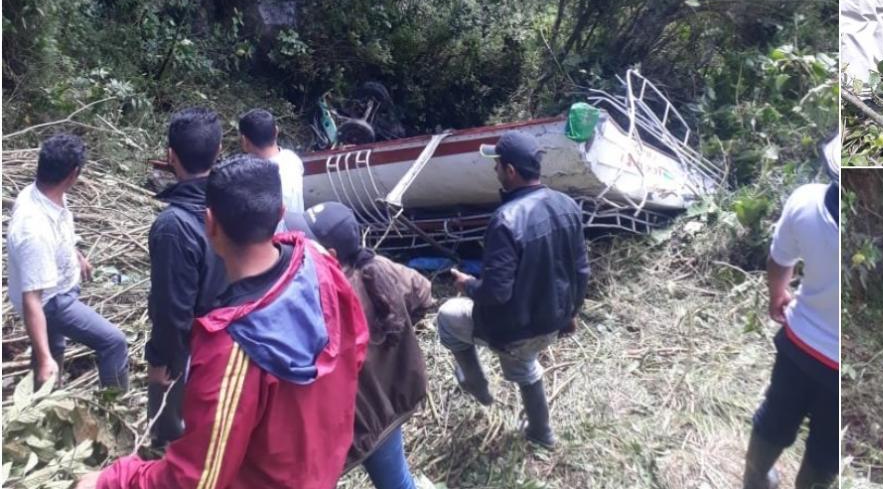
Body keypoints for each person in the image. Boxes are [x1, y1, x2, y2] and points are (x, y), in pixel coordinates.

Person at [78, 156, 369, 489]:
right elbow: (356, 352)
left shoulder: (231, 348)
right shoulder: (321, 268)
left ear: (210, 223)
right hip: (320, 467)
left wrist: (110, 480)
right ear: (280, 215)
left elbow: (196, 481)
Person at [437, 131, 590, 448]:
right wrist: (570, 314)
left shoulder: (505, 220)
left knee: (448, 316)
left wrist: (468, 285)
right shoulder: (568, 205)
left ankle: (476, 384)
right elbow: (581, 271)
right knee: (525, 364)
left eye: (497, 165)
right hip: (554, 321)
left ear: (510, 171)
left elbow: (497, 293)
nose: (494, 171)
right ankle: (540, 431)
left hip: (518, 330)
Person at [295, 202, 435, 489]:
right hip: (392, 403)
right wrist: (402, 332)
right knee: (396, 481)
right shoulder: (379, 266)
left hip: (358, 422)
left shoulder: (326, 300)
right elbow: (424, 293)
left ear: (328, 254)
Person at [742, 137, 840, 489]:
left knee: (776, 417)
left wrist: (778, 295)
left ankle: (756, 480)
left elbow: (779, 261)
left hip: (799, 344)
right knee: (827, 450)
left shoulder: (806, 202)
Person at [7, 133, 128, 391]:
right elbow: (33, 300)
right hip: (53, 302)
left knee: (54, 348)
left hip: (54, 290)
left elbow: (59, 229)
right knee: (114, 342)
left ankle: (44, 403)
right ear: (74, 174)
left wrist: (75, 254)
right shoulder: (34, 229)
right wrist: (42, 358)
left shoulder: (43, 192)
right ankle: (115, 413)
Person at [145, 107, 229, 451]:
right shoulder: (233, 204)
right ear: (219, 151)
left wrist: (161, 362)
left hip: (193, 356)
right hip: (231, 348)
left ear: (170, 156)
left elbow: (172, 310)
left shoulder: (173, 227)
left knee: (171, 444)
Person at [238, 108, 304, 219]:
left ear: (244, 141)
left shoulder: (252, 177)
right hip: (300, 231)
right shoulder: (292, 158)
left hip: (274, 235)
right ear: (276, 131)